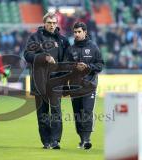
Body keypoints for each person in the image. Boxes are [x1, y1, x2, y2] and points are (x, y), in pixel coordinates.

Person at [24, 12, 69, 149]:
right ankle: (46, 141)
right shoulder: (35, 38)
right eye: (49, 22)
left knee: (56, 111)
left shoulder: (62, 40)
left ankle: (56, 141)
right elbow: (27, 55)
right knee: (42, 112)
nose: (52, 25)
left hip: (56, 81)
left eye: (54, 23)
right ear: (44, 23)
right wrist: (44, 57)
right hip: (40, 81)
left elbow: (66, 61)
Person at [67, 22, 104, 149]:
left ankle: (87, 140)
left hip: (89, 85)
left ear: (85, 32)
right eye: (75, 32)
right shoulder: (71, 49)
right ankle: (82, 139)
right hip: (75, 86)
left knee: (87, 112)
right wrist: (74, 67)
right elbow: (65, 67)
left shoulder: (93, 47)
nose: (76, 34)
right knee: (78, 113)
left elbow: (100, 65)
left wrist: (88, 67)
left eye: (79, 32)